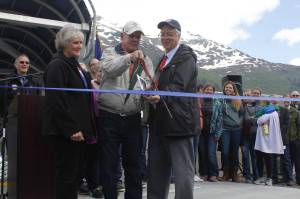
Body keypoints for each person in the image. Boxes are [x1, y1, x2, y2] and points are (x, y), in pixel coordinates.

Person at [96, 21, 154, 199]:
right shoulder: (109, 53)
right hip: (109, 116)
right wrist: (129, 58)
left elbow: (148, 83)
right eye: (132, 36)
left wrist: (148, 93)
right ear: (122, 36)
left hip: (132, 117)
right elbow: (109, 69)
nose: (135, 39)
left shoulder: (146, 59)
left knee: (134, 164)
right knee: (109, 164)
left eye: (138, 36)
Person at [145, 19, 199, 199]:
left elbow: (179, 86)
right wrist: (150, 91)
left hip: (179, 124)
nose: (165, 37)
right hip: (159, 122)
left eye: (170, 33)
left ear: (179, 36)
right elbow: (162, 84)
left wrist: (161, 95)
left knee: (183, 173)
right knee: (156, 171)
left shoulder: (186, 57)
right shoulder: (164, 59)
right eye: (163, 34)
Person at [43, 25, 97, 199]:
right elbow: (56, 100)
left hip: (79, 131)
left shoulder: (76, 66)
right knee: (66, 176)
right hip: (66, 132)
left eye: (81, 42)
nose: (79, 46)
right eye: (75, 43)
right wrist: (71, 129)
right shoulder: (57, 65)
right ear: (65, 44)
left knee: (75, 175)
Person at [254, 104, 284, 186]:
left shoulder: (272, 114)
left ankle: (269, 178)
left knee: (268, 160)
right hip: (261, 140)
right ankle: (262, 177)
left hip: (268, 141)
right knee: (260, 159)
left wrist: (260, 117)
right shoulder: (270, 114)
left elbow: (259, 121)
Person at [219, 81, 243, 183]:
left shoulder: (237, 100)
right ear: (224, 89)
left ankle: (234, 174)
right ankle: (226, 173)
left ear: (234, 90)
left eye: (230, 88)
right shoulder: (220, 100)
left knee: (234, 152)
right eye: (227, 88)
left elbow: (242, 114)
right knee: (224, 152)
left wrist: (239, 123)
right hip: (225, 129)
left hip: (236, 130)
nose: (228, 89)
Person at [199, 84, 223, 182]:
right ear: (203, 91)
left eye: (210, 90)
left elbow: (220, 119)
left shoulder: (217, 103)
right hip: (200, 132)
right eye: (207, 89)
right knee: (202, 153)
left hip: (212, 132)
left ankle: (213, 174)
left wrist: (218, 133)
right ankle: (204, 173)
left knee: (211, 154)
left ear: (213, 92)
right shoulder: (199, 101)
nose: (209, 91)